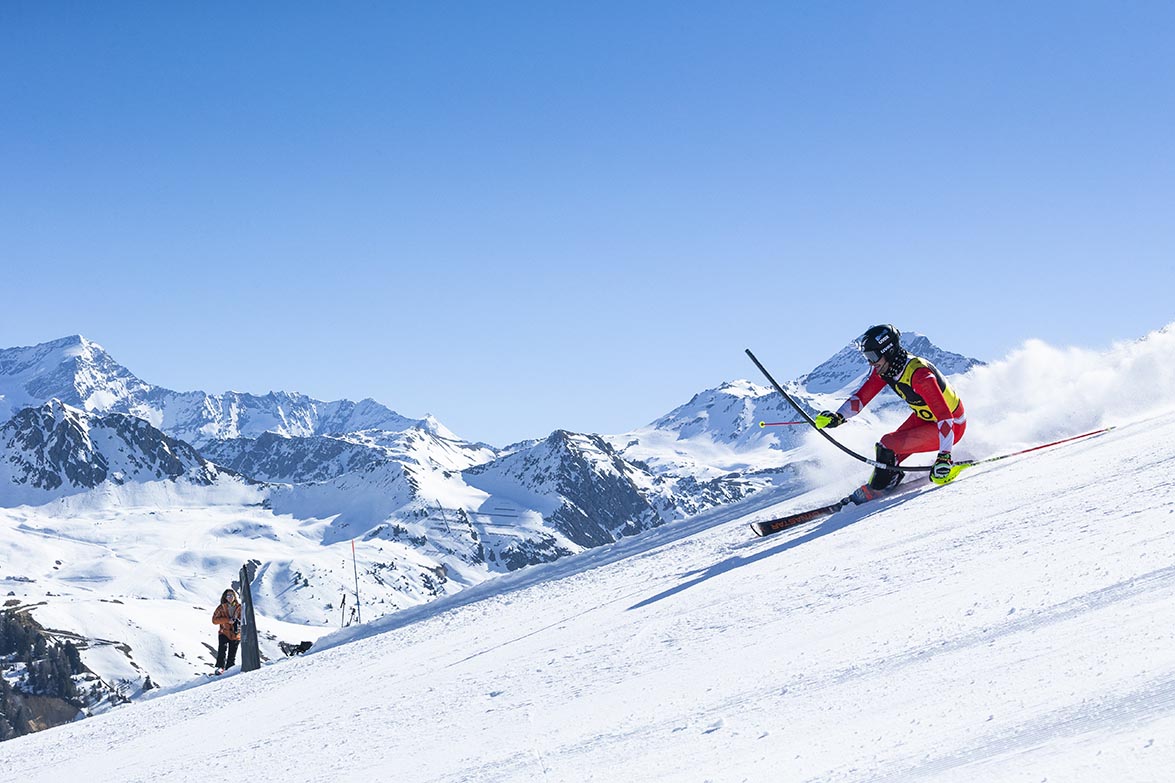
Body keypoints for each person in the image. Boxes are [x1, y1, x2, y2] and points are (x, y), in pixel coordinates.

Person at [814, 324, 966, 504]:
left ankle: (879, 487)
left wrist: (944, 457)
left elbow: (945, 416)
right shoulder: (886, 370)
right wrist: (838, 417)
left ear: (888, 351)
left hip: (950, 425)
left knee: (888, 444)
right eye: (867, 357)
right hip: (925, 418)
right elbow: (861, 398)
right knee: (886, 454)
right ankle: (881, 482)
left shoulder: (919, 375)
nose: (871, 363)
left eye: (872, 357)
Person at [212, 588, 242, 674]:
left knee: (232, 654)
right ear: (225, 597)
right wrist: (227, 620)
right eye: (228, 595)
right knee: (222, 649)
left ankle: (230, 669)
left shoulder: (239, 607)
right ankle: (220, 668)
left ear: (234, 596)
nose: (230, 597)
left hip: (236, 634)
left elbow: (243, 618)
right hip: (224, 632)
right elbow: (214, 620)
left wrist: (237, 621)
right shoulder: (221, 607)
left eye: (231, 595)